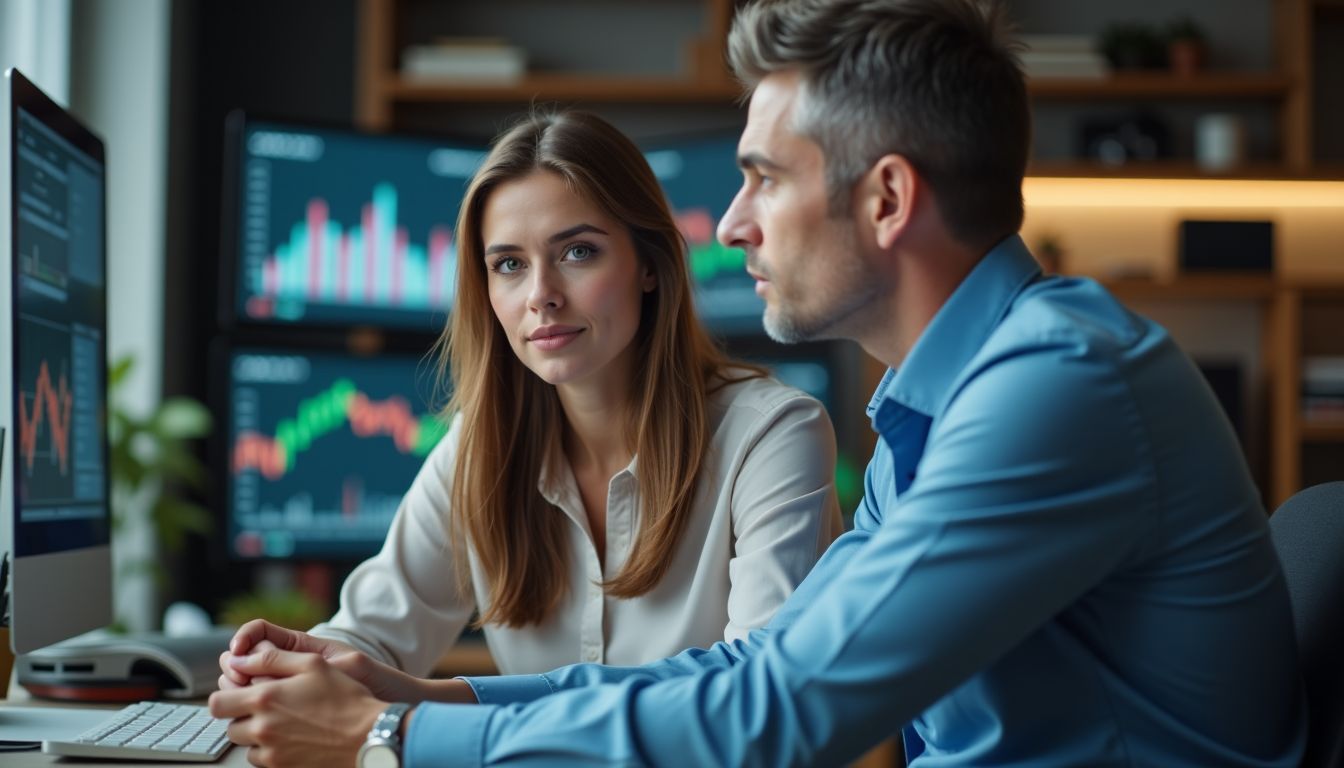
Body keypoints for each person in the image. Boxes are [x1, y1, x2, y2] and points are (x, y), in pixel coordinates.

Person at [210, 1, 1307, 765]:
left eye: (763, 179)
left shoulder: (1052, 390)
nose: (730, 226)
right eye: (507, 264)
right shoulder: (939, 408)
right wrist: (429, 699)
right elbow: (759, 669)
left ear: (886, 200)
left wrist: (391, 742)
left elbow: (776, 717)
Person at [220, 111, 842, 687]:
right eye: (510, 265)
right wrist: (292, 672)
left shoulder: (773, 436)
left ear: (649, 264)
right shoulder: (481, 443)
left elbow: (757, 698)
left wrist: (457, 708)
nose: (541, 295)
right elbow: (373, 633)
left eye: (578, 252)